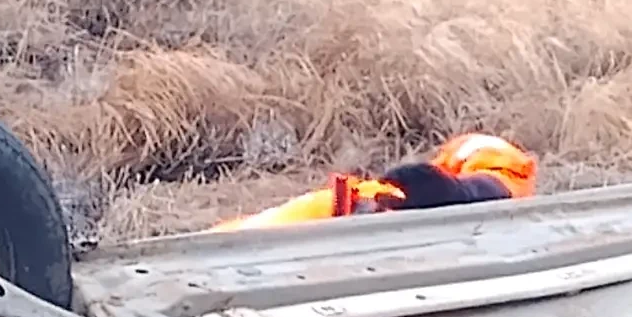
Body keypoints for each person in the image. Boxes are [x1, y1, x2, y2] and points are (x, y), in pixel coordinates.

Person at [208, 133, 537, 232]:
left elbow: (502, 184)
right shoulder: (488, 168)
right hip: (353, 211)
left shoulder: (491, 160)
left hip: (347, 212)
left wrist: (457, 192)